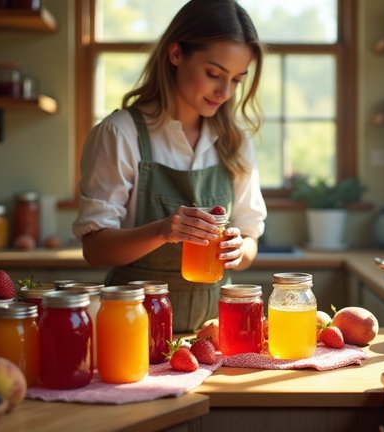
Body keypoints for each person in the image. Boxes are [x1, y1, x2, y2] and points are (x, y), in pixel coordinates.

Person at [73, 0, 267, 333]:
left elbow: (250, 240)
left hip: (215, 332)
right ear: (176, 54)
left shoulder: (235, 142)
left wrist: (240, 249)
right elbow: (95, 248)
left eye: (236, 80)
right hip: (134, 330)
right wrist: (163, 230)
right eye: (214, 74)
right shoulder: (120, 133)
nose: (225, 92)